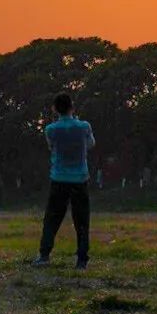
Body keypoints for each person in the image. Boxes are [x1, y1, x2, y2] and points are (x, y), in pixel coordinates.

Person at [34, 92, 95, 270]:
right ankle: (82, 260)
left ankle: (44, 255)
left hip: (59, 178)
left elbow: (51, 147)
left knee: (52, 219)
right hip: (80, 179)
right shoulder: (84, 126)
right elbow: (91, 144)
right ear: (72, 107)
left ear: (55, 109)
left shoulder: (51, 129)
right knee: (82, 221)